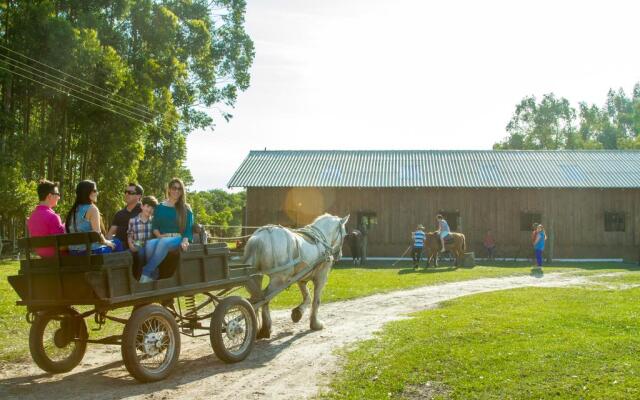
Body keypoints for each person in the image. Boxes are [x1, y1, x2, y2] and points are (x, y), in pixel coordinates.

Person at [139, 178, 193, 283]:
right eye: (174, 188)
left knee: (163, 242)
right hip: (163, 237)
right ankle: (154, 273)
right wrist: (158, 236)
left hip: (178, 238)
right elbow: (155, 225)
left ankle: (146, 272)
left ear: (182, 191)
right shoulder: (160, 207)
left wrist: (185, 241)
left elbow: (188, 228)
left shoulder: (185, 208)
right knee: (149, 244)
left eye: (179, 189)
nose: (176, 191)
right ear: (169, 189)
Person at [65, 180, 123, 254]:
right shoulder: (92, 209)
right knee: (117, 242)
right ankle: (118, 265)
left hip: (73, 253)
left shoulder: (72, 211)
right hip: (91, 253)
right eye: (95, 190)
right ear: (87, 192)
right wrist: (107, 242)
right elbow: (97, 235)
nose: (97, 193)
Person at [26, 180, 65, 257]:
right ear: (49, 196)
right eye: (57, 194)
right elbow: (62, 246)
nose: (59, 197)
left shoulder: (32, 218)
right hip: (59, 260)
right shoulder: (53, 217)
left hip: (44, 259)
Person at [127, 195, 158, 270]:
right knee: (135, 252)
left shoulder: (154, 221)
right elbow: (129, 234)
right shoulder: (133, 220)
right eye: (147, 206)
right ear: (142, 206)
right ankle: (139, 272)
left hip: (148, 245)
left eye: (152, 208)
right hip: (137, 243)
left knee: (145, 252)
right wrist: (130, 245)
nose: (150, 209)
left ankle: (145, 272)